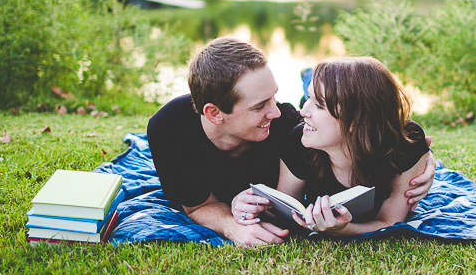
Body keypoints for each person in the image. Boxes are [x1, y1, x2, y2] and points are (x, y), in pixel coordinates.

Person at [147, 38, 436, 247]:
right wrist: (232, 225)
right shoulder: (169, 129)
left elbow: (368, 131)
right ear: (214, 113)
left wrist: (425, 159)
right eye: (260, 106)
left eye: (273, 96)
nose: (277, 111)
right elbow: (197, 207)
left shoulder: (289, 126)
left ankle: (307, 82)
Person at [230, 56, 431, 236]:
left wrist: (345, 230)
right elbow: (285, 210)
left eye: (319, 105)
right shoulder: (299, 141)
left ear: (355, 120)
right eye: (308, 99)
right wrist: (249, 207)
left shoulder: (407, 143)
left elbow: (390, 222)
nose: (303, 111)